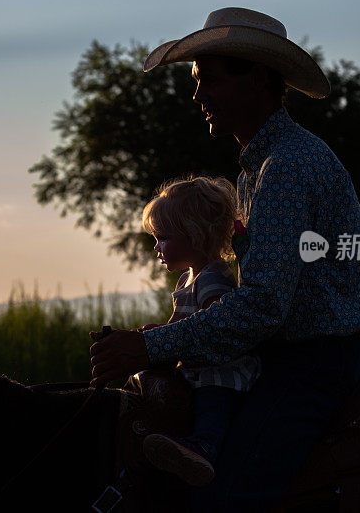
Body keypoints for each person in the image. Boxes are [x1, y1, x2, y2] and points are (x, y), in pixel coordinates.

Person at [89, 7, 360, 511]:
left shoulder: (286, 168)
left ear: (257, 79)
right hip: (287, 355)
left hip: (310, 363)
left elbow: (262, 306)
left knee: (225, 498)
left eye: (210, 80)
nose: (197, 95)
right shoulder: (260, 167)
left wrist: (152, 348)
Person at [136, 176, 260, 487]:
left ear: (195, 235)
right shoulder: (187, 279)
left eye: (163, 237)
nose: (156, 246)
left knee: (212, 398)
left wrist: (165, 338)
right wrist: (162, 332)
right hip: (199, 365)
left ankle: (205, 447)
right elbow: (185, 326)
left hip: (219, 369)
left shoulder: (213, 278)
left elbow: (215, 322)